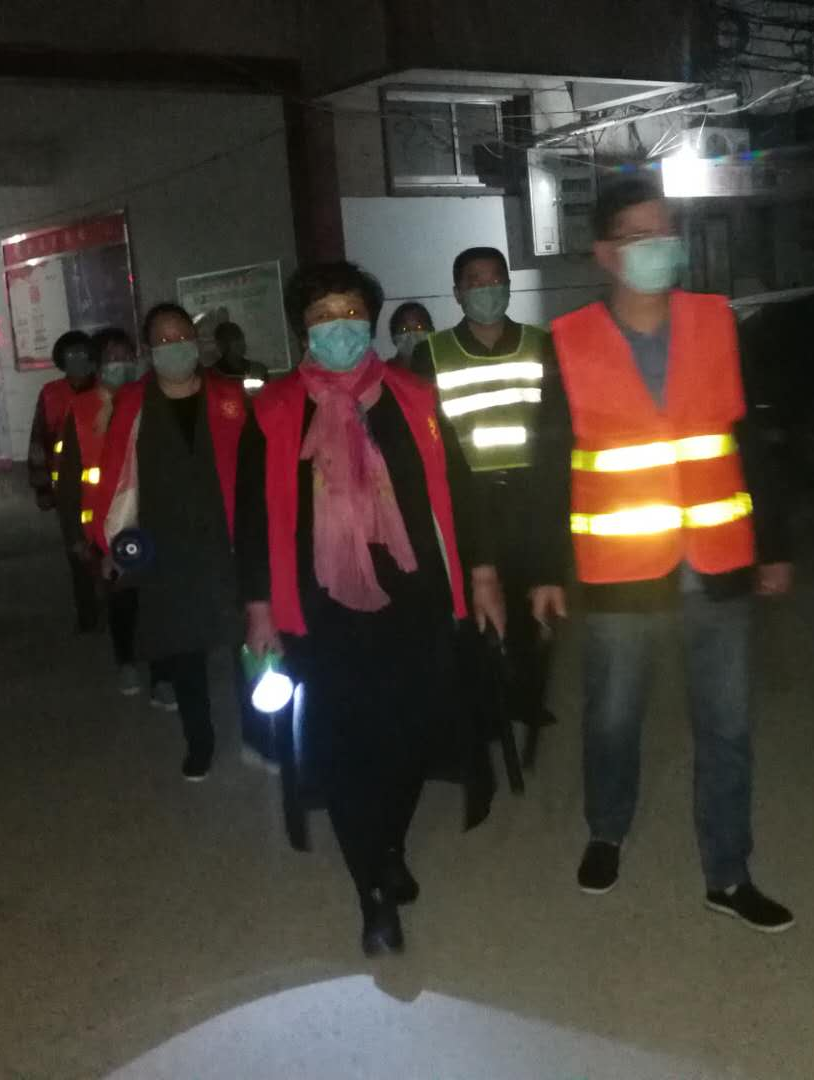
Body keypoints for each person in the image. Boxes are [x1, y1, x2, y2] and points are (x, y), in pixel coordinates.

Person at [525, 175, 796, 932]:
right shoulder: (569, 343)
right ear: (605, 253)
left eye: (665, 231)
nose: (659, 247)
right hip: (620, 570)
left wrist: (775, 543)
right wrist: (544, 569)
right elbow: (548, 464)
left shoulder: (717, 323)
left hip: (718, 561)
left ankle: (728, 874)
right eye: (640, 236)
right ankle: (606, 831)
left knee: (727, 726)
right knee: (613, 717)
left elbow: (752, 439)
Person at [237, 261, 506, 956]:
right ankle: (372, 890)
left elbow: (459, 490)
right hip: (318, 607)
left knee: (408, 736)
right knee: (344, 744)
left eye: (350, 312)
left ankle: (390, 844)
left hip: (413, 600)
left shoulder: (412, 397)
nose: (339, 327)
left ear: (371, 320)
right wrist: (258, 607)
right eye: (322, 315)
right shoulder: (273, 411)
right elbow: (251, 519)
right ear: (302, 327)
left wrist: (480, 574)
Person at [86, 304, 247, 780]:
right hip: (167, 548)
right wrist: (112, 545)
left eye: (182, 338)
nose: (175, 347)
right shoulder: (132, 404)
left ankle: (264, 735)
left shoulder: (230, 395)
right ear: (148, 349)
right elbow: (116, 479)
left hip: (229, 540)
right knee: (184, 649)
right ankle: (200, 741)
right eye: (163, 340)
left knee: (249, 644)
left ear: (196, 342)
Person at [409, 247, 558, 743]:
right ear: (457, 293)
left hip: (528, 497)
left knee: (530, 601)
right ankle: (487, 704)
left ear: (509, 286)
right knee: (475, 603)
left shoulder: (542, 344)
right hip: (465, 499)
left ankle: (528, 696)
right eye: (475, 281)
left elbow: (557, 427)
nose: (487, 289)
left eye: (496, 279)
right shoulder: (431, 354)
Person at [72, 327, 149, 697]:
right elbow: (72, 477)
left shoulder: (149, 399)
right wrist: (83, 534)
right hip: (109, 521)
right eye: (111, 358)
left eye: (126, 355)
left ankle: (162, 673)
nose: (120, 363)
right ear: (98, 365)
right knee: (122, 595)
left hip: (149, 512)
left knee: (155, 593)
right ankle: (127, 662)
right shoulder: (81, 409)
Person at [28, 330, 103, 631]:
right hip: (68, 492)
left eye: (83, 354)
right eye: (70, 355)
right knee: (76, 549)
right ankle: (87, 612)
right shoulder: (51, 394)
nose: (77, 361)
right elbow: (38, 441)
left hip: (103, 487)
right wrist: (43, 488)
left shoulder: (105, 390)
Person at [212, 321, 268, 393]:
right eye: (234, 338)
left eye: (240, 337)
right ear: (222, 345)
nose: (240, 342)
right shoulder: (213, 374)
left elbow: (266, 393)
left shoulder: (258, 370)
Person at [386, 302, 435, 370]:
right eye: (404, 329)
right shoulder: (384, 372)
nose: (412, 335)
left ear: (432, 332)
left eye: (419, 327)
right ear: (393, 337)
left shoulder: (442, 368)